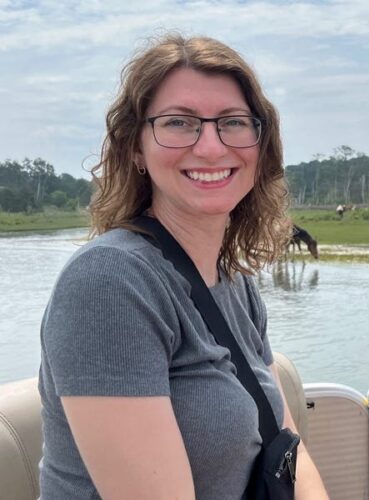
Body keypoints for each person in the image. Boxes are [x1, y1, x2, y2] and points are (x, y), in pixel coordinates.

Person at [38, 34, 328, 499]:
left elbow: (290, 453)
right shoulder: (109, 283)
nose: (211, 148)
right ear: (135, 148)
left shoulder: (235, 282)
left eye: (233, 123)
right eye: (179, 123)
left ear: (260, 144)